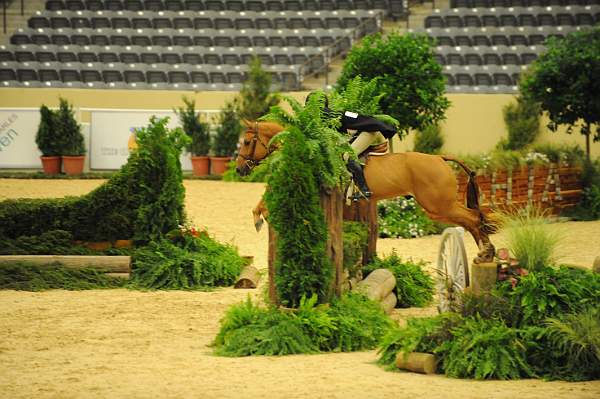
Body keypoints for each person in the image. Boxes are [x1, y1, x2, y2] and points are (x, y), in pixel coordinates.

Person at [306, 91, 398, 200]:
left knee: (348, 155)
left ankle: (364, 190)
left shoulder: (324, 116)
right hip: (371, 129)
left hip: (370, 132)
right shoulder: (332, 114)